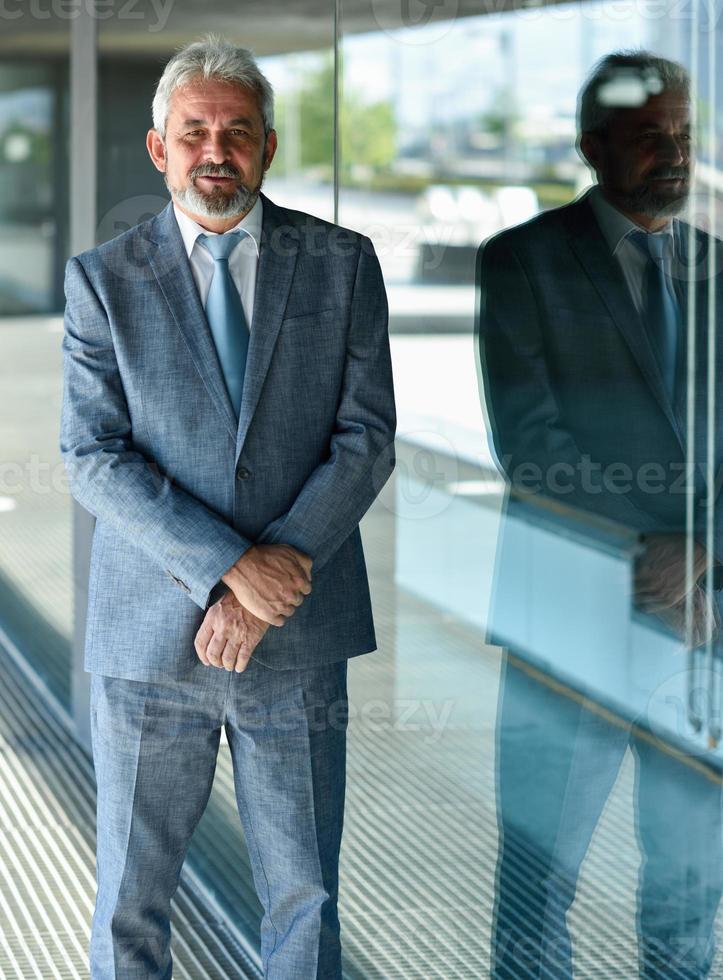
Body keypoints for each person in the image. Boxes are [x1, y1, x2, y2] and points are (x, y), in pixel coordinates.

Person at [60, 35, 396, 980]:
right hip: (147, 639)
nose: (217, 150)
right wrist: (226, 570)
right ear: (158, 147)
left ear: (269, 146)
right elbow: (91, 456)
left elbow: (365, 438)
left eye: (237, 132)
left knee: (306, 897)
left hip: (294, 632)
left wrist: (261, 585)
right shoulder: (103, 281)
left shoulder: (342, 264)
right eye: (195, 130)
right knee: (131, 897)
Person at [476, 51, 723, 979]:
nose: (672, 154)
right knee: (541, 873)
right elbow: (530, 443)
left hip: (703, 622)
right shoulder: (521, 263)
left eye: (683, 136)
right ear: (592, 147)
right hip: (567, 618)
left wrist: (696, 553)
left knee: (690, 874)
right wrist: (649, 555)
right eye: (646, 136)